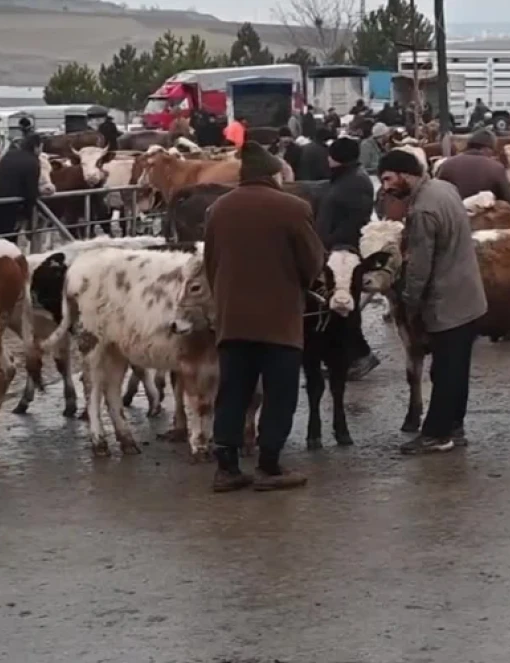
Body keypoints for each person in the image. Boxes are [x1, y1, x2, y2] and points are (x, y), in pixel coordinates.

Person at [204, 141, 324, 492]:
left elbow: (210, 263)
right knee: (279, 393)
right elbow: (313, 262)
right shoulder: (293, 208)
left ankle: (226, 468)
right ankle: (268, 465)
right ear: (273, 174)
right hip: (279, 320)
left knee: (232, 391)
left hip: (232, 320)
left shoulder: (218, 209)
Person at [377, 150, 488, 455]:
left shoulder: (423, 210)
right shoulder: (444, 188)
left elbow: (419, 266)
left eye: (388, 178)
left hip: (445, 299)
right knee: (456, 367)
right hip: (468, 294)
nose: (386, 187)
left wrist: (408, 302)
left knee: (445, 370)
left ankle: (437, 434)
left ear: (405, 173)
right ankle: (455, 426)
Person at [318, 136, 381, 380]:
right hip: (338, 251)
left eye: (331, 155)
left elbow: (354, 221)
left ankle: (360, 356)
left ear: (337, 158)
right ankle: (347, 357)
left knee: (344, 308)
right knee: (339, 308)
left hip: (344, 255)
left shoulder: (353, 183)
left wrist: (331, 242)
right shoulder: (348, 178)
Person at [0, 133, 45, 238]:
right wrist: (28, 214)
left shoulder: (10, 154)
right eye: (41, 148)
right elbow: (31, 191)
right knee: (7, 241)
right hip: (6, 205)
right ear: (36, 147)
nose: (41, 151)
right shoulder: (33, 162)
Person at [435, 129, 510, 202]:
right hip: (483, 218)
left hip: (453, 216)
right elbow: (508, 199)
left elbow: (438, 194)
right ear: (486, 149)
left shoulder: (446, 165)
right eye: (492, 150)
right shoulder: (496, 168)